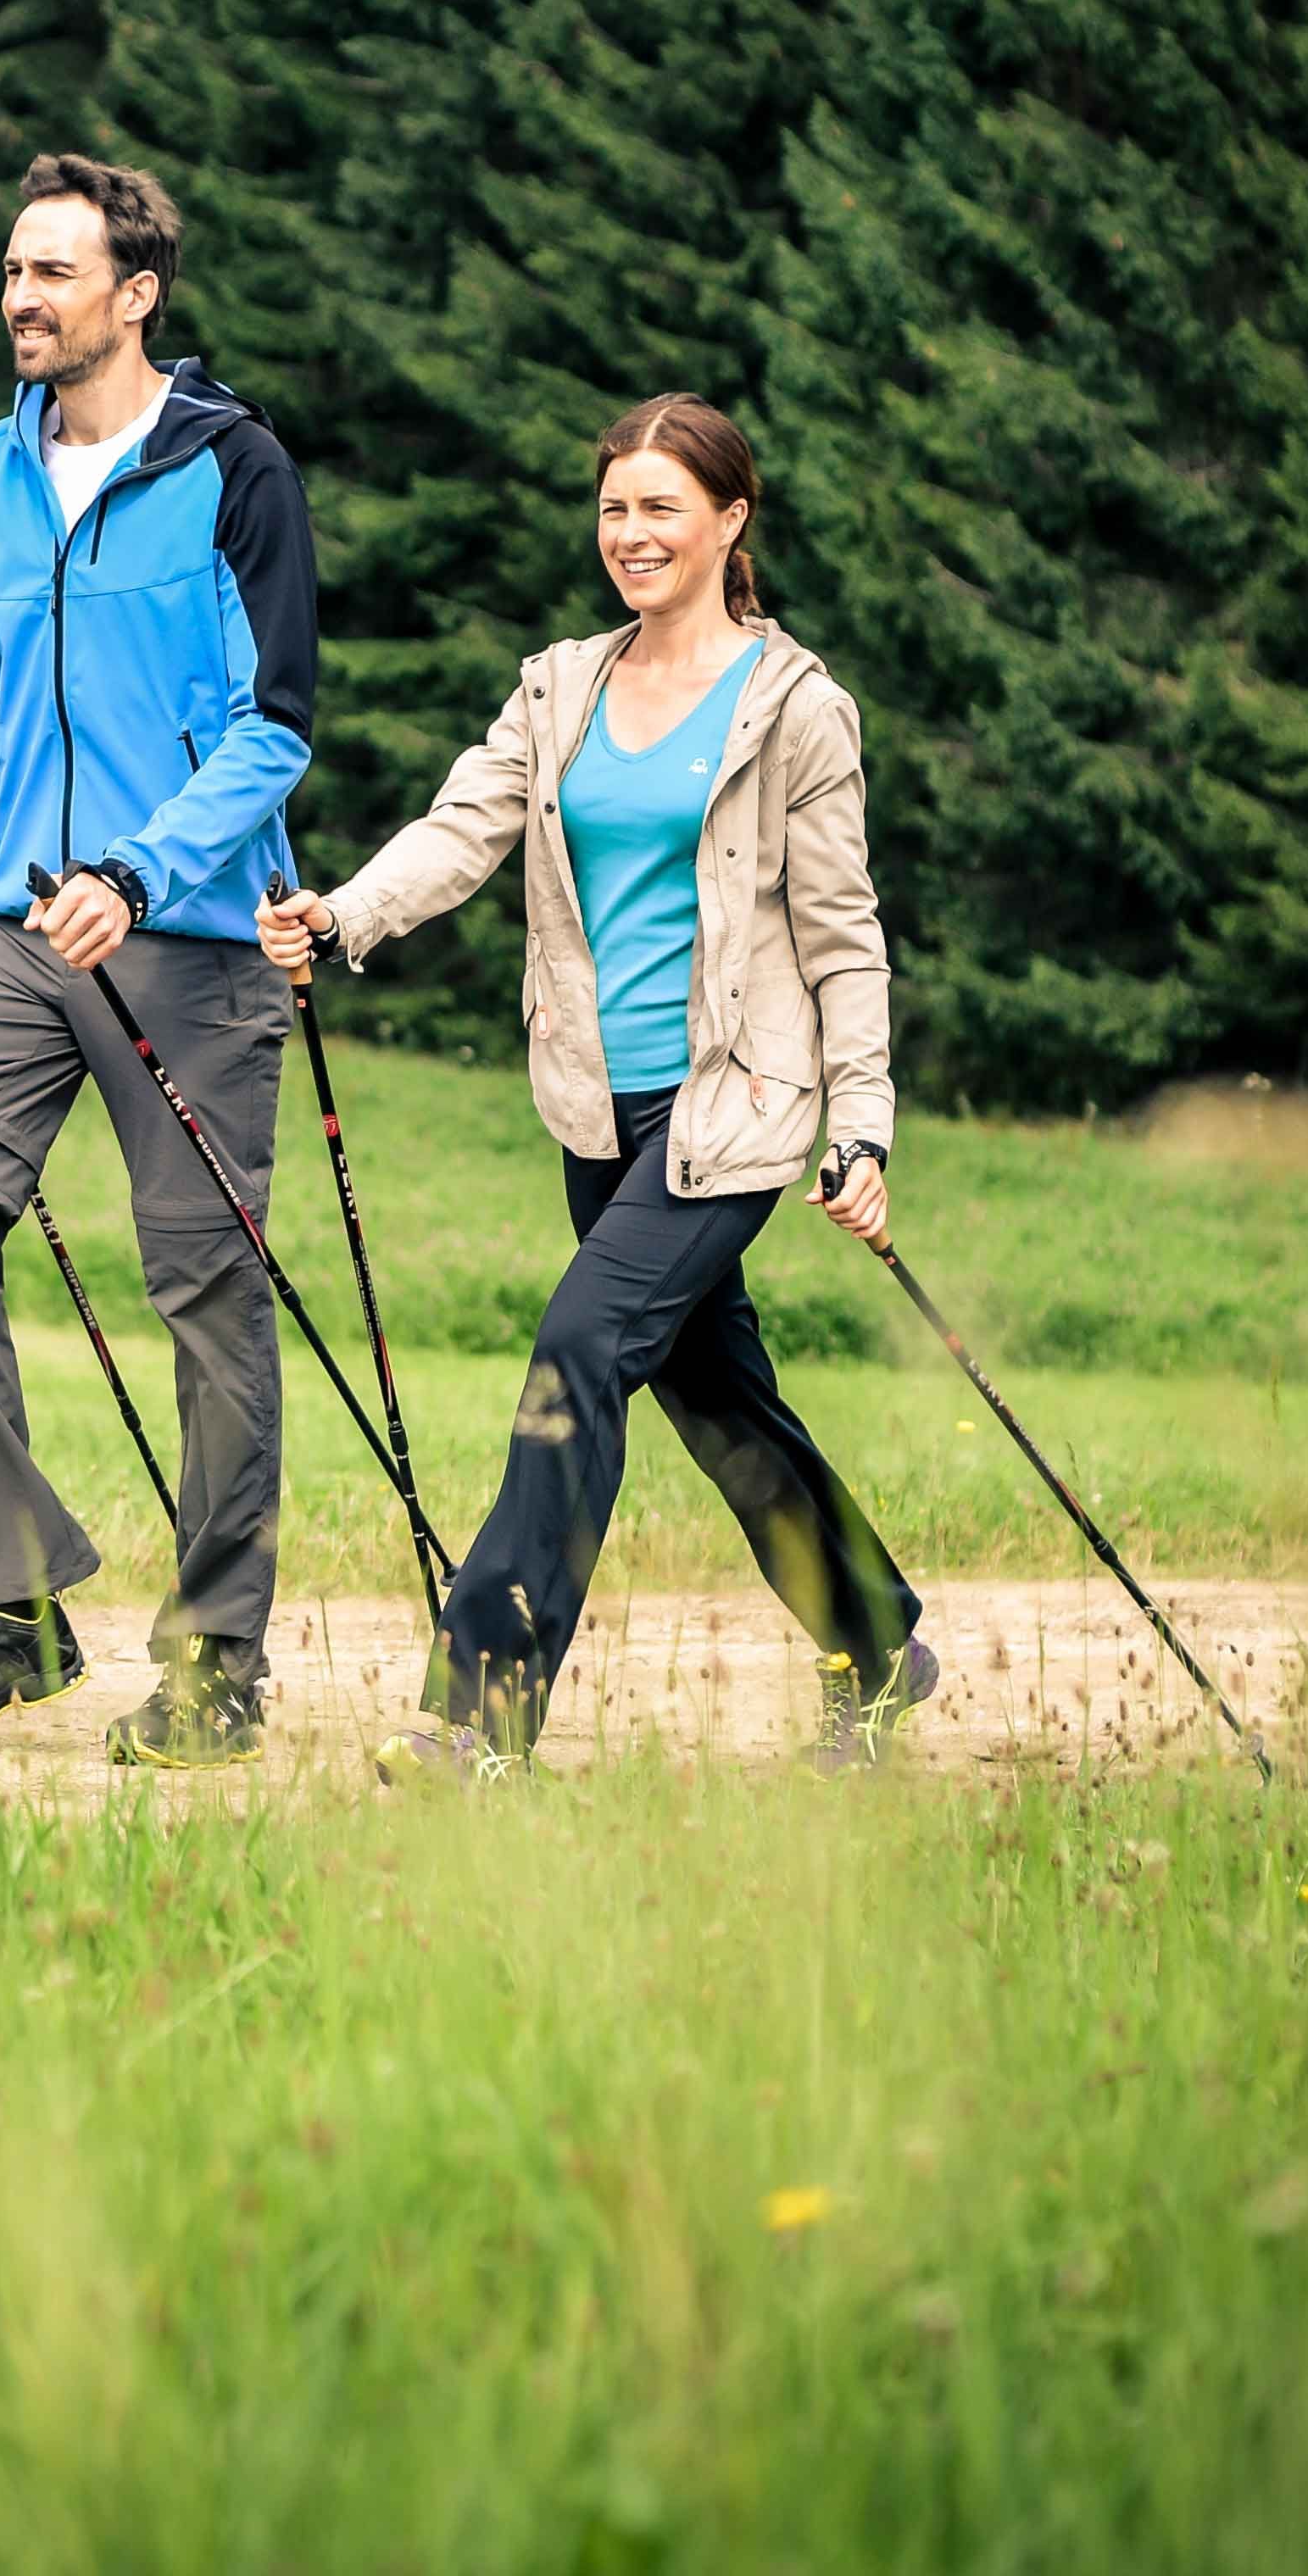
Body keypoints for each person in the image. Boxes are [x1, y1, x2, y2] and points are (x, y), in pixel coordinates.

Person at [259, 394, 935, 1781]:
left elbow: (843, 935)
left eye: (662, 509)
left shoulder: (796, 709)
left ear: (730, 519)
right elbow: (464, 827)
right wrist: (344, 915)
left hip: (731, 1114)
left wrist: (860, 1124)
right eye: (616, 507)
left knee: (577, 1358)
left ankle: (478, 1717)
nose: (632, 534)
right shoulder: (560, 685)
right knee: (721, 1402)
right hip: (595, 1109)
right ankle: (875, 1646)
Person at [0, 153, 319, 1769]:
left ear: (136, 296)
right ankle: (13, 1602)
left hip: (185, 941)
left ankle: (217, 1662)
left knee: (205, 1293)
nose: (22, 299)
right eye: (11, 271)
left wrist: (144, 869)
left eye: (54, 273)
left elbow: (275, 731)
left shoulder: (234, 471)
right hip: (17, 932)